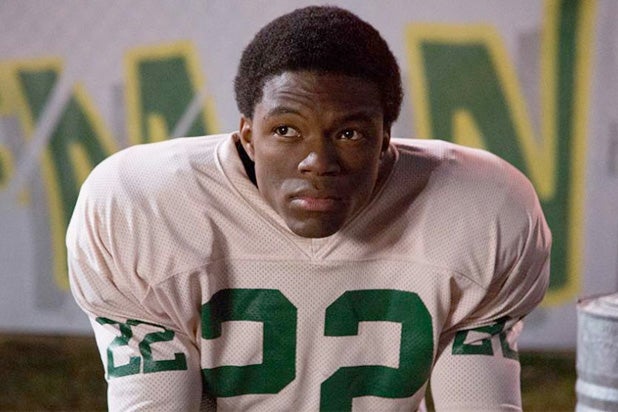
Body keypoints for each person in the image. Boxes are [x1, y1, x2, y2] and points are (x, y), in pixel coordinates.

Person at [67, 5, 551, 411]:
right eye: (286, 130)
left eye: (349, 133)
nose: (317, 162)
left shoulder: (483, 206)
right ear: (247, 135)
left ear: (385, 138)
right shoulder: (142, 205)